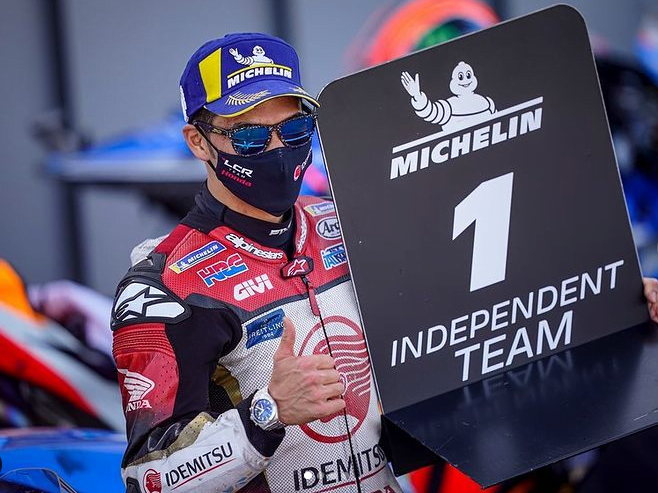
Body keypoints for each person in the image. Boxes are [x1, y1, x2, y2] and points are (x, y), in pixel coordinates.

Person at [110, 32, 658, 493]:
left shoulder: (357, 223)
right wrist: (267, 412)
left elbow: (490, 317)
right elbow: (147, 478)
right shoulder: (163, 286)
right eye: (251, 136)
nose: (278, 149)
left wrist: (615, 305)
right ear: (198, 142)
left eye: (295, 130)